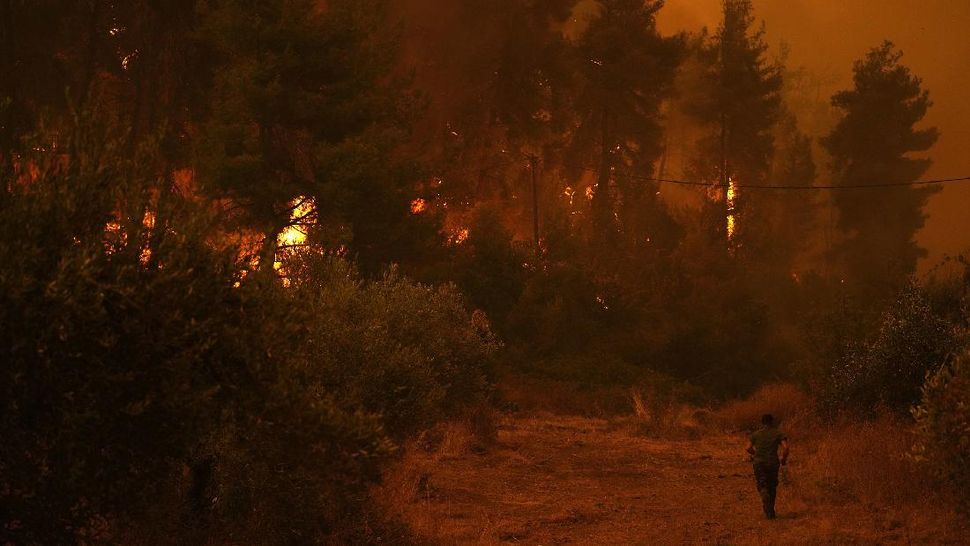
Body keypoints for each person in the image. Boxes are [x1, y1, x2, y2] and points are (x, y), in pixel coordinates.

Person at [745, 413, 789, 519]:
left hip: (759, 462)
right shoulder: (778, 433)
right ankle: (771, 512)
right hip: (773, 462)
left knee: (762, 483)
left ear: (762, 422)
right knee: (772, 486)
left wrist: (755, 453)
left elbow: (747, 448)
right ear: (772, 422)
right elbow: (786, 448)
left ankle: (763, 491)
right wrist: (783, 459)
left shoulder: (756, 434)